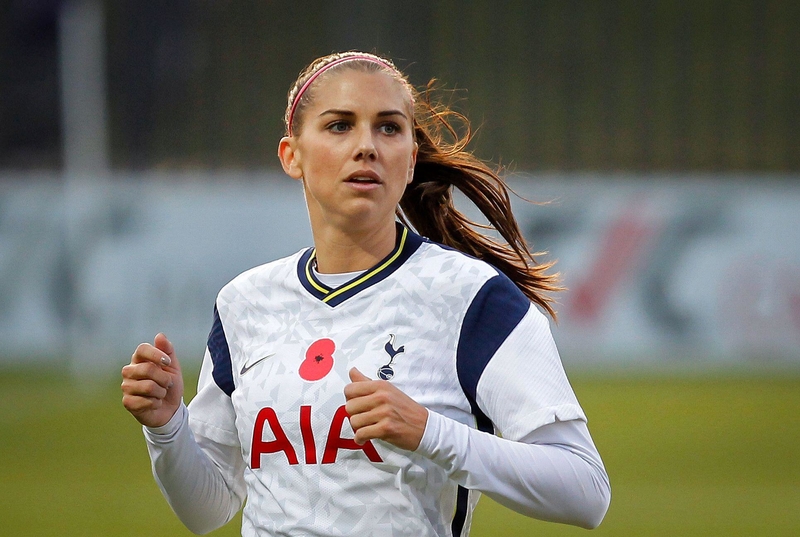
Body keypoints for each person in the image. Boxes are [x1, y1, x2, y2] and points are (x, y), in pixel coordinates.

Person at [121, 51, 610, 536]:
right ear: (292, 155)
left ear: (411, 159)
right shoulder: (243, 304)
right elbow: (208, 509)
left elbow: (586, 490)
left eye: (389, 128)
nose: (367, 146)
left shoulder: (471, 297)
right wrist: (166, 429)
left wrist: (428, 432)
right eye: (339, 125)